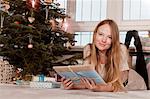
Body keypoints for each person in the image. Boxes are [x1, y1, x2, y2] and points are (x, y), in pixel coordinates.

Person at [61, 19, 147, 92]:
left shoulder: (121, 49)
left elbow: (119, 85)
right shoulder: (88, 49)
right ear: (95, 35)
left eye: (109, 37)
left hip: (132, 86)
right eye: (100, 34)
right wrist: (72, 86)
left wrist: (98, 88)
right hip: (105, 88)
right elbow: (88, 83)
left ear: (114, 40)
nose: (103, 40)